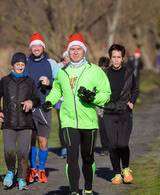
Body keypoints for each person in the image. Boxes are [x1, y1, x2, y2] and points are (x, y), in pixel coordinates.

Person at [43, 34, 111, 195]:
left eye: (78, 49)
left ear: (83, 51)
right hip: (68, 120)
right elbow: (56, 90)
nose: (75, 52)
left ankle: (88, 190)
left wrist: (93, 98)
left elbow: (106, 93)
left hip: (89, 121)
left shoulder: (94, 70)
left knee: (87, 158)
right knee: (71, 158)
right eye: (72, 49)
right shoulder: (62, 72)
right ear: (68, 51)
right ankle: (74, 191)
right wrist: (49, 101)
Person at [0, 52, 40, 190]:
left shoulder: (30, 82)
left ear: (25, 65)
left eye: (22, 64)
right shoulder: (5, 81)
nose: (20, 67)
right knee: (9, 150)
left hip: (26, 123)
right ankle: (10, 171)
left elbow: (37, 100)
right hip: (9, 123)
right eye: (17, 64)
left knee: (23, 153)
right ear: (13, 65)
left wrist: (31, 101)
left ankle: (21, 178)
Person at [103, 44, 139, 185]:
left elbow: (135, 90)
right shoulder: (104, 73)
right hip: (109, 113)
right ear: (110, 58)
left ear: (123, 58)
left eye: (118, 57)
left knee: (122, 144)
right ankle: (117, 173)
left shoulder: (129, 73)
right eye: (113, 57)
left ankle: (126, 169)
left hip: (125, 112)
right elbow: (98, 90)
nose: (116, 60)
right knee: (112, 145)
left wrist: (132, 101)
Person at [25, 33, 58, 183]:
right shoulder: (25, 63)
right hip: (29, 107)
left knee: (42, 141)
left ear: (43, 47)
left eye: (39, 46)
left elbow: (60, 82)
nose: (36, 48)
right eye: (34, 46)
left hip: (45, 107)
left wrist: (49, 81)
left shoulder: (51, 63)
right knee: (31, 141)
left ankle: (42, 169)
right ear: (30, 47)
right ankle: (32, 169)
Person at [53, 49, 70, 158]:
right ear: (63, 57)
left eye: (70, 56)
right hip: (60, 101)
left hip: (71, 101)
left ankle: (72, 147)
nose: (68, 58)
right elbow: (54, 80)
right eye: (67, 56)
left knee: (71, 125)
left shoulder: (76, 66)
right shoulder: (58, 66)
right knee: (62, 125)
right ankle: (64, 148)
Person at [97, 56, 110, 156]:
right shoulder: (95, 75)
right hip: (100, 106)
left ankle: (110, 147)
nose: (102, 71)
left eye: (104, 68)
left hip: (110, 105)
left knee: (110, 127)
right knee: (102, 128)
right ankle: (105, 147)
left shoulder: (111, 75)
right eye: (101, 68)